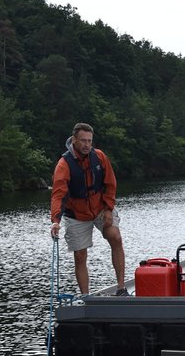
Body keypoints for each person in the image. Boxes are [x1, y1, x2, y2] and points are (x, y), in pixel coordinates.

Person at [50, 122, 128, 296]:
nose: (87, 145)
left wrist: (108, 209)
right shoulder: (64, 165)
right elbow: (58, 195)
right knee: (79, 256)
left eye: (89, 141)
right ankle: (86, 297)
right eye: (83, 141)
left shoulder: (99, 157)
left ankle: (121, 288)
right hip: (76, 213)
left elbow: (110, 184)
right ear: (74, 140)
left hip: (100, 208)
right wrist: (55, 221)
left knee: (115, 236)